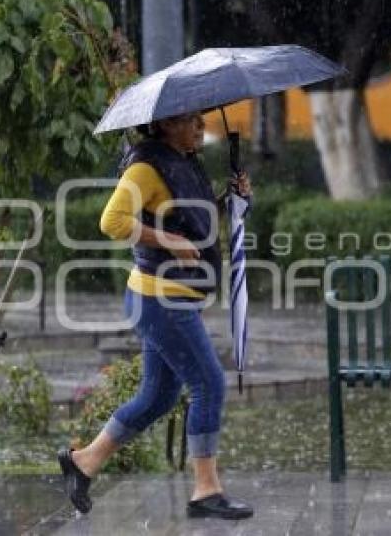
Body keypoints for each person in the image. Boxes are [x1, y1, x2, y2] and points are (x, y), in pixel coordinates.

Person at [57, 110, 254, 520]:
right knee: (210, 384)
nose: (200, 127)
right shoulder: (147, 166)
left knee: (158, 395)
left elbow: (188, 220)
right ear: (165, 125)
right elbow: (112, 220)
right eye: (190, 121)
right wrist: (167, 240)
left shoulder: (183, 163)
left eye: (202, 121)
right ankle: (206, 490)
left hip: (172, 297)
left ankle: (85, 461)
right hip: (161, 299)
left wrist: (233, 199)